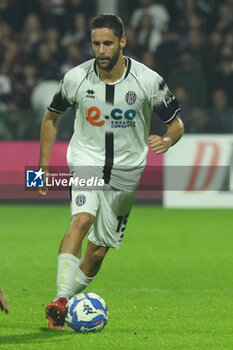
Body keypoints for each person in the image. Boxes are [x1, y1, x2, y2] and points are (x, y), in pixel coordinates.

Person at [39, 14, 184, 329]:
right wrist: (43, 166)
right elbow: (51, 117)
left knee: (98, 250)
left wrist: (168, 139)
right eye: (96, 44)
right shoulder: (76, 78)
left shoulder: (148, 81)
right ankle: (60, 300)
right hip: (86, 159)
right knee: (82, 220)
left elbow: (176, 123)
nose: (101, 50)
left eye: (107, 43)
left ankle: (63, 300)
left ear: (122, 42)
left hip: (126, 170)